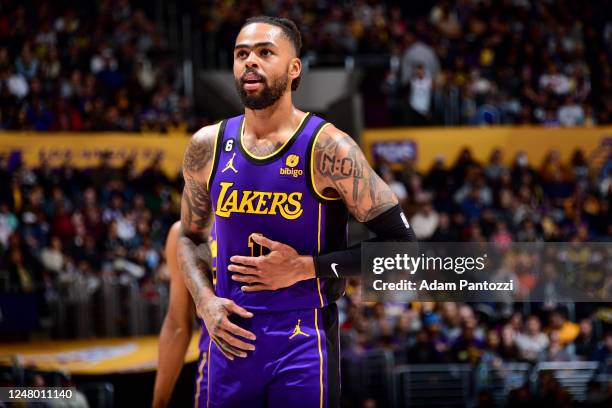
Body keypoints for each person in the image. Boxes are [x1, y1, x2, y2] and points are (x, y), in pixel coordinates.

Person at [178, 16, 415, 407]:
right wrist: (204, 300)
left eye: (264, 52)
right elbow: (189, 237)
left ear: (293, 69)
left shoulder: (330, 149)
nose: (250, 61)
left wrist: (305, 267)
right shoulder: (207, 145)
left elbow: (403, 249)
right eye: (242, 54)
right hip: (229, 333)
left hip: (303, 338)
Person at [152, 221, 212, 407]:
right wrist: (159, 402)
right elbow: (177, 324)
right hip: (221, 366)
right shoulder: (186, 233)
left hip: (290, 356)